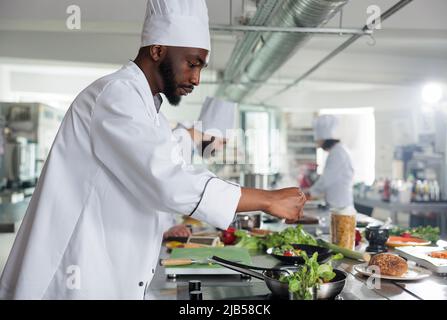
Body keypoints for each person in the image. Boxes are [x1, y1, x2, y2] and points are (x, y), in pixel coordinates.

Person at [0, 0, 306, 299]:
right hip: (71, 277)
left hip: (109, 272)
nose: (197, 78)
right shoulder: (116, 94)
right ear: (157, 50)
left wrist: (162, 227)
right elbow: (166, 179)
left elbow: (144, 182)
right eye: (192, 63)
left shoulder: (152, 112)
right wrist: (266, 199)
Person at [163, 96, 237, 239]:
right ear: (212, 132)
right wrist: (166, 228)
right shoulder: (178, 141)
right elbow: (165, 190)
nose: (219, 149)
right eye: (222, 142)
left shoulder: (185, 143)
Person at [307, 115, 354, 209]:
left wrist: (309, 193)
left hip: (340, 207)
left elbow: (326, 179)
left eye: (318, 142)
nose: (318, 146)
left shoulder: (337, 153)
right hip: (337, 205)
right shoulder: (337, 150)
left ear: (325, 140)